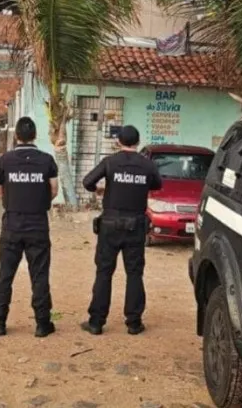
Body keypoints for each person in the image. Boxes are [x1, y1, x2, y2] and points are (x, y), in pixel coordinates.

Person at [80, 125, 162, 336]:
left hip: (110, 225)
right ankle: (134, 322)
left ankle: (96, 322)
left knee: (104, 272)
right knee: (134, 273)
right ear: (138, 142)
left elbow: (87, 181)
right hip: (135, 225)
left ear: (118, 141)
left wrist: (99, 189)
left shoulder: (110, 162)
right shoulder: (147, 164)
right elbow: (157, 185)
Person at [0, 117, 59, 338]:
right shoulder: (47, 160)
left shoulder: (5, 160)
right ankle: (42, 324)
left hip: (12, 223)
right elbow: (54, 190)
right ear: (35, 135)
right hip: (38, 223)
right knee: (39, 275)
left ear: (16, 136)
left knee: (5, 274)